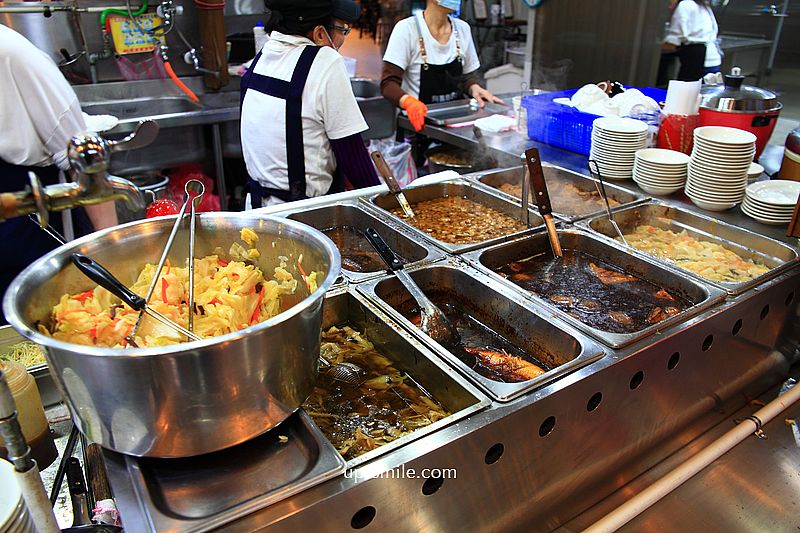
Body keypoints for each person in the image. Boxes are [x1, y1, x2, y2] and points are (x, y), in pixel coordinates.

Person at [0, 24, 118, 323]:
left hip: (33, 228)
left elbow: (85, 160)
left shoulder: (12, 55)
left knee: (56, 322)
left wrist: (114, 264)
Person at [240, 0, 380, 208]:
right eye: (343, 29)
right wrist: (384, 204)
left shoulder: (263, 55)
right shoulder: (326, 61)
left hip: (258, 211)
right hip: (306, 215)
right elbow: (352, 155)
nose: (343, 37)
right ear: (320, 34)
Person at [380, 0, 502, 164]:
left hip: (456, 129)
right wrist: (408, 102)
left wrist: (474, 87)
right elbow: (388, 83)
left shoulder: (462, 29)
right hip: (419, 129)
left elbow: (466, 76)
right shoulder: (407, 29)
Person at [662, 0, 722, 82]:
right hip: (713, 60)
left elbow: (674, 39)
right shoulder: (703, 6)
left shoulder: (686, 5)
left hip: (698, 60)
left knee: (687, 92)